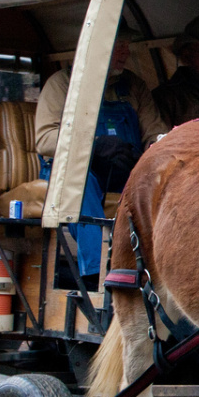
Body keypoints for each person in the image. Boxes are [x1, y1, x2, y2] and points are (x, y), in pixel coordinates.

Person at [32, 39, 165, 287]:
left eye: (126, 45)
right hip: (69, 171)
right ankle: (98, 274)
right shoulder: (62, 84)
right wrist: (94, 145)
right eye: (117, 43)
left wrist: (154, 152)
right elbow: (45, 139)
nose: (126, 50)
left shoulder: (134, 85)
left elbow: (154, 133)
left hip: (122, 167)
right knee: (81, 182)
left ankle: (162, 270)